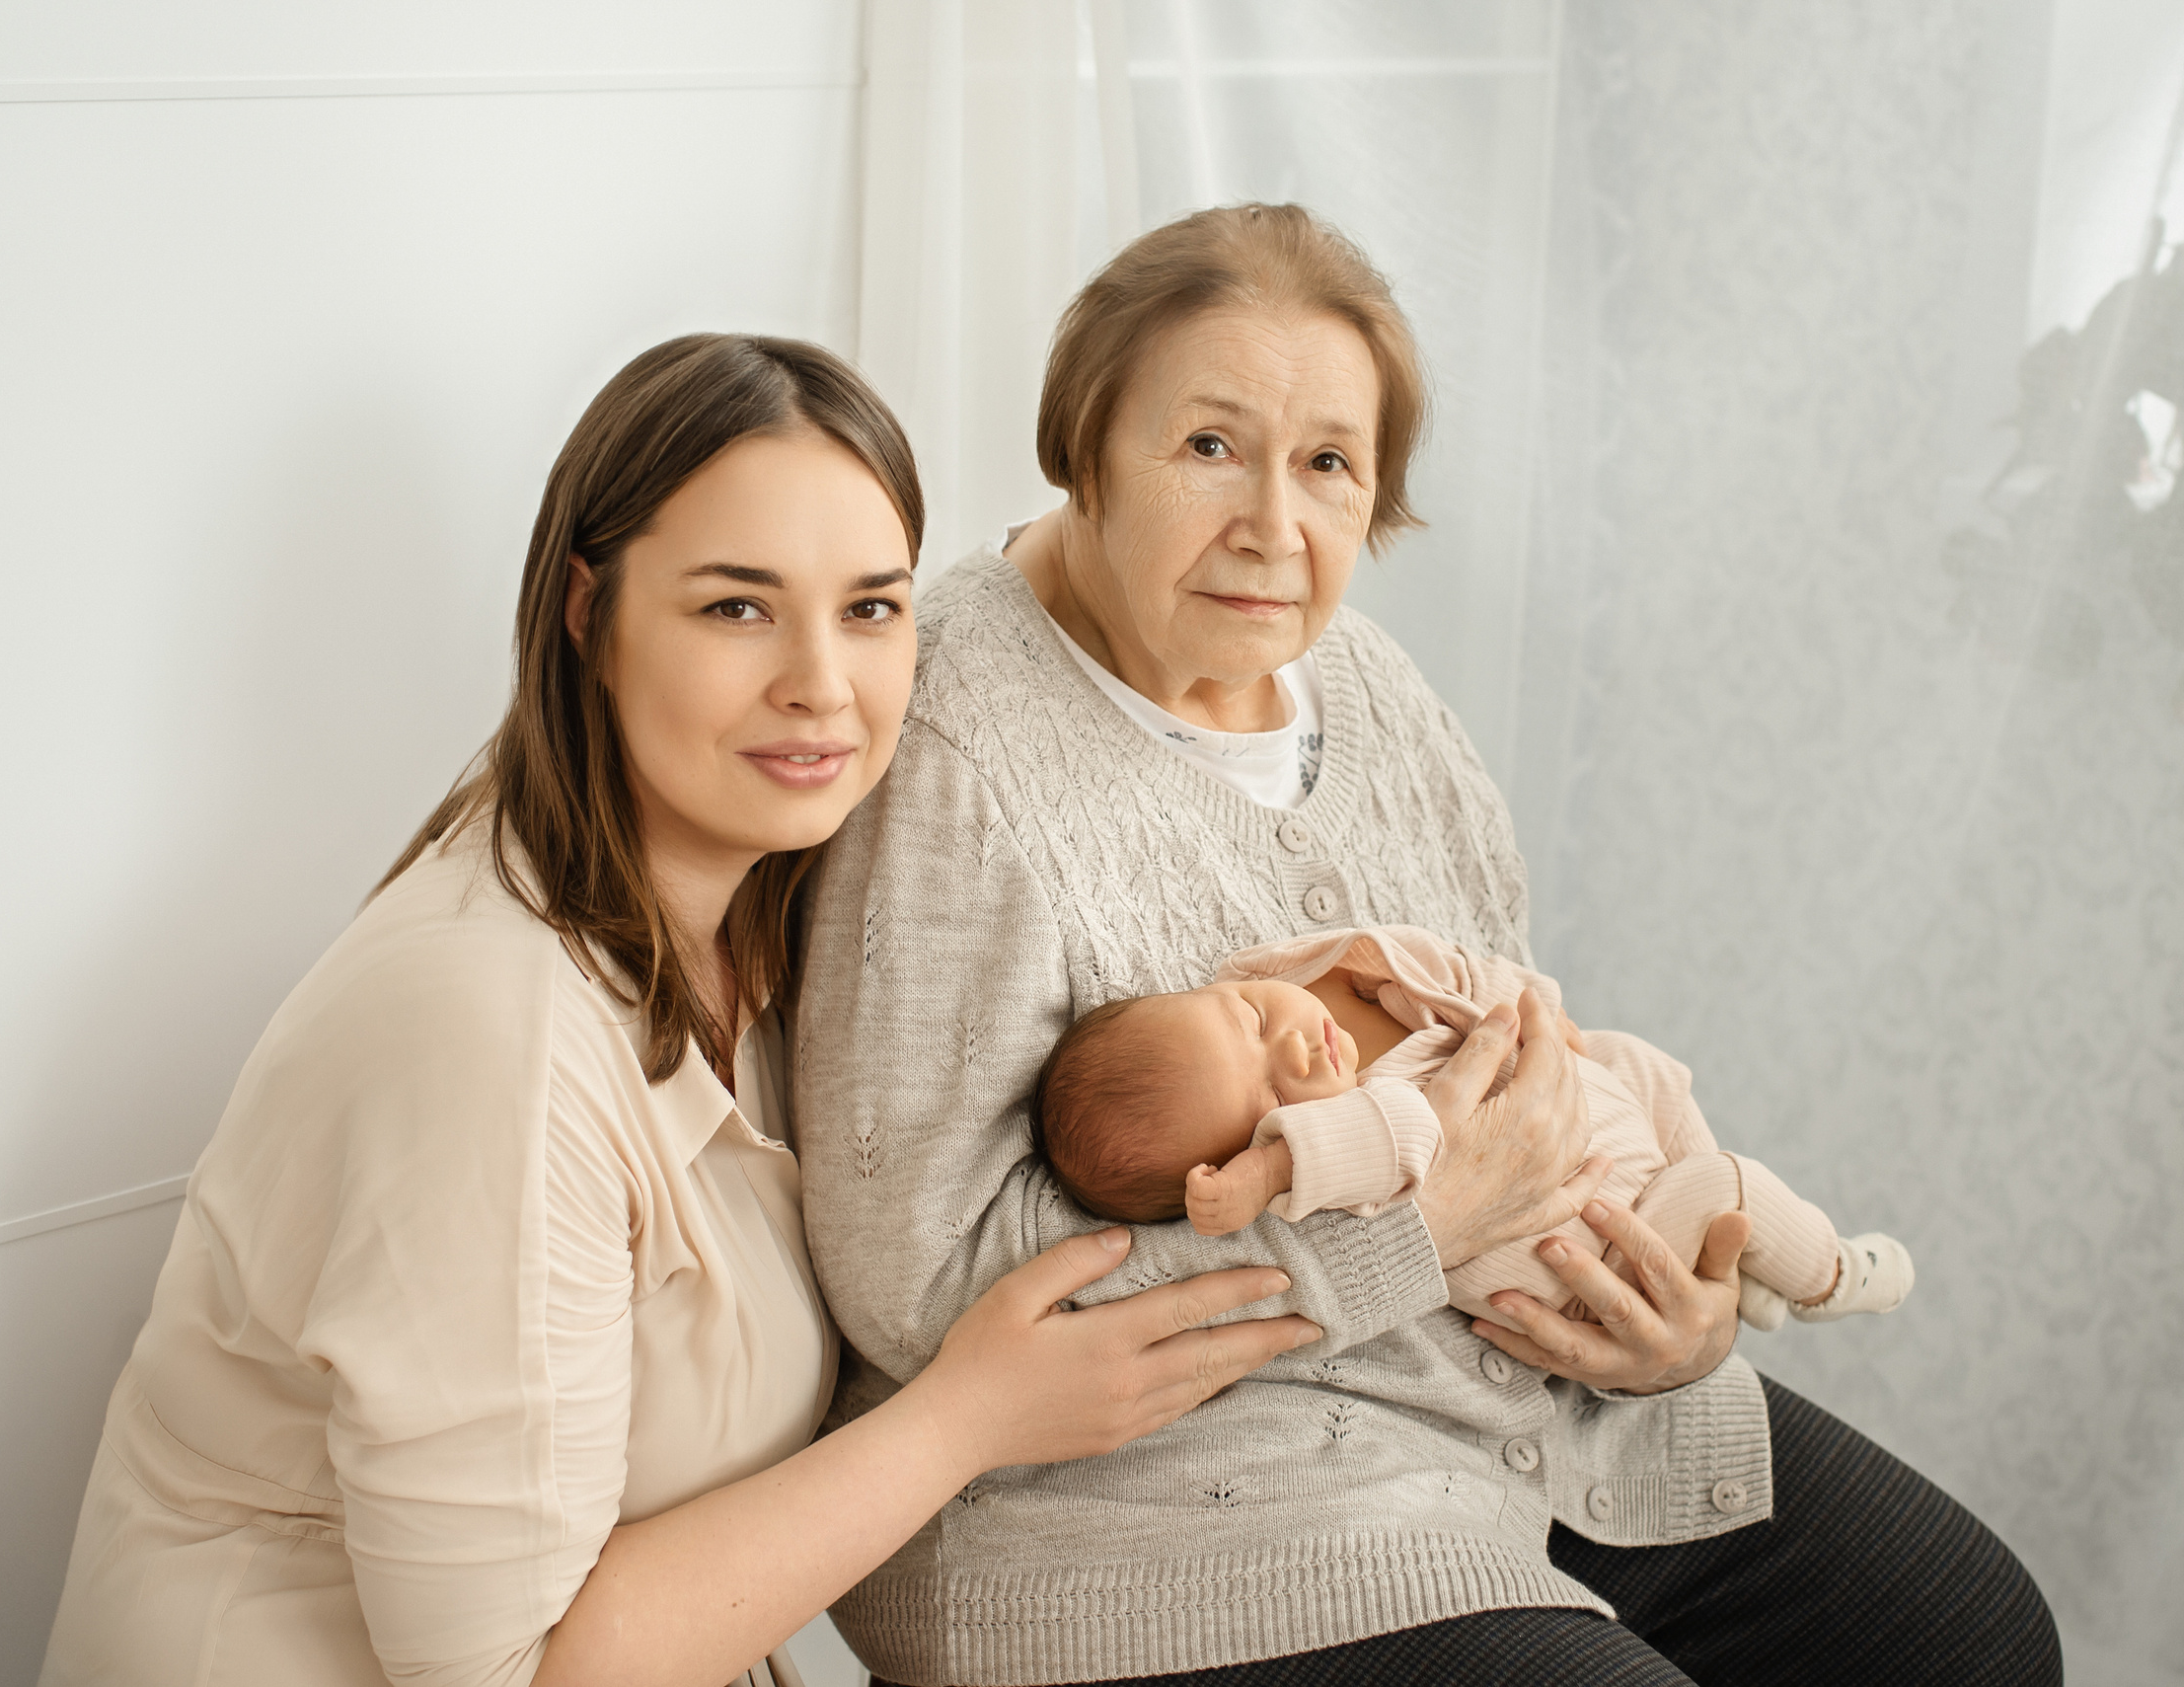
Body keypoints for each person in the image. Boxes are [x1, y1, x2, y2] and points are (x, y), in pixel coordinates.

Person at [794, 205, 2062, 1685]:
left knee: (1973, 1638)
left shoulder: (1366, 688)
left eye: (1329, 464)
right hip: (1163, 1505)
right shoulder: (951, 734)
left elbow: (1515, 1072)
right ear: (1083, 443)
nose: (1276, 527)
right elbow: (920, 1278)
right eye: (1210, 446)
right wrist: (1407, 1235)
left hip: (1514, 1389)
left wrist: (1676, 1303)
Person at [35, 334, 1320, 1687]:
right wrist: (967, 1422)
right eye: (736, 608)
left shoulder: (763, 915)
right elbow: (514, 1674)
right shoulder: (491, 1035)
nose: (821, 681)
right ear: (587, 616)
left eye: (873, 608)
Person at [1031, 923, 1916, 1333]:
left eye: (1253, 1019)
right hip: (1594, 1263)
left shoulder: (1342, 975)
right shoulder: (1365, 1129)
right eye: (1271, 1101)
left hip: (1615, 1168)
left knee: (1639, 1063)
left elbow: (1464, 970)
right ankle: (1832, 1271)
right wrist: (1263, 1176)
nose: (1297, 1048)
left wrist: (1533, 1014)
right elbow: (1375, 1140)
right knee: (1721, 1184)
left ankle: (1746, 1263)